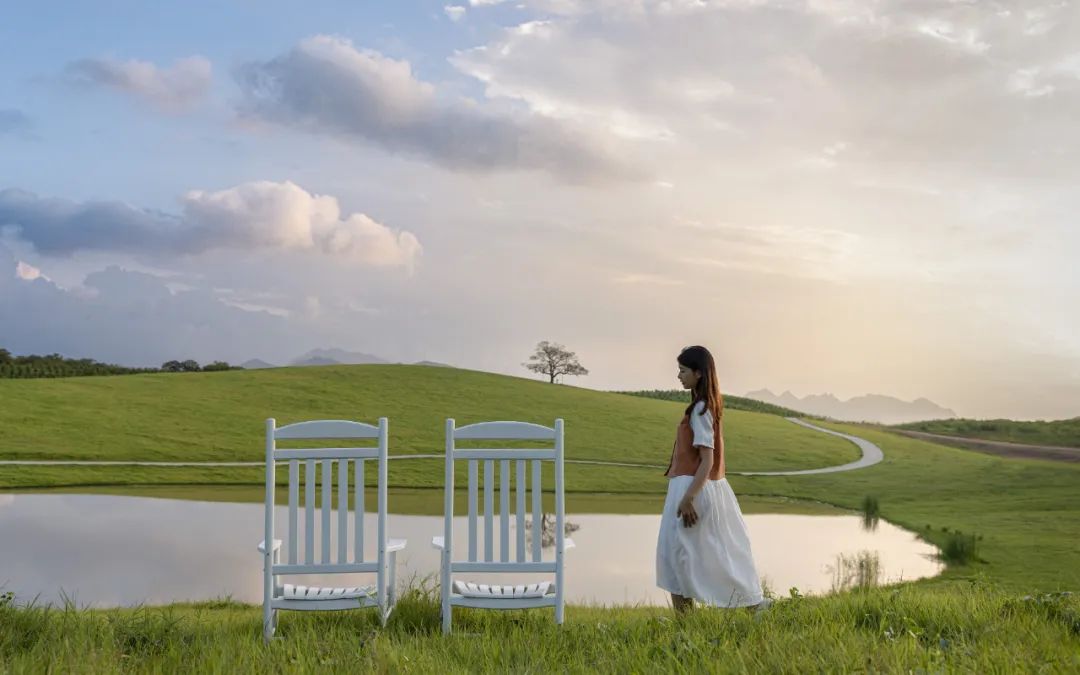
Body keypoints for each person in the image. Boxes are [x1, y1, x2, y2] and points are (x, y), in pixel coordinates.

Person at [656, 345, 764, 612]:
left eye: (683, 371)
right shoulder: (704, 406)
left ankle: (742, 607)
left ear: (699, 374)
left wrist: (688, 498)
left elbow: (708, 459)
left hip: (692, 488)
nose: (678, 376)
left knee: (678, 557)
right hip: (693, 487)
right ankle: (746, 606)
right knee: (692, 556)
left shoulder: (701, 409)